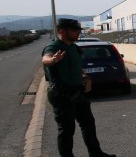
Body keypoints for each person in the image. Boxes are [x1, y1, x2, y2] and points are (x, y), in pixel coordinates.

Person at [41, 18, 115, 157]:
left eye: (78, 30)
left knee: (88, 124)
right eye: (74, 30)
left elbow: (78, 67)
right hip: (61, 94)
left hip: (76, 92)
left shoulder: (74, 48)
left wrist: (86, 78)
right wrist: (52, 60)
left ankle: (96, 153)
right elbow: (46, 59)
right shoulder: (54, 46)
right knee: (67, 130)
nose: (77, 33)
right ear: (62, 31)